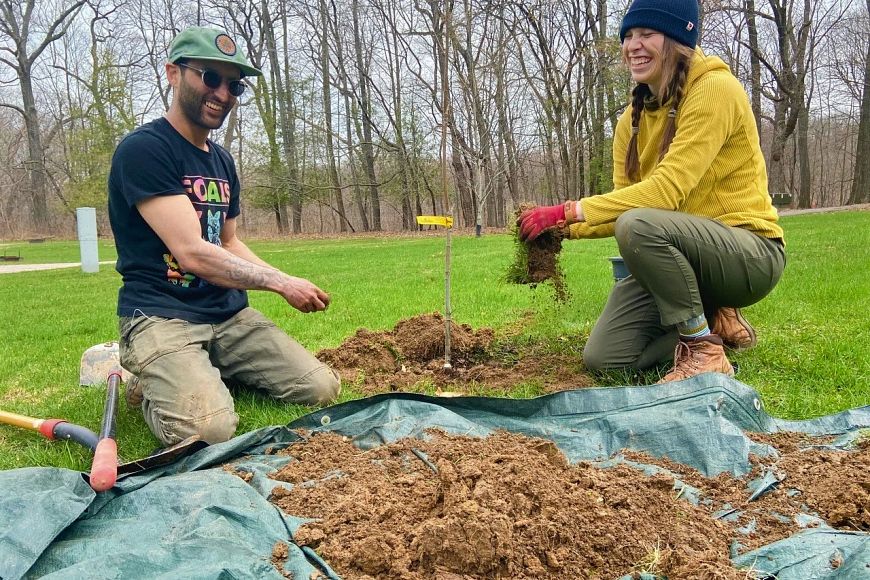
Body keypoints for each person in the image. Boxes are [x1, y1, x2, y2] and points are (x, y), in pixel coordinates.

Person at [517, 0, 785, 383]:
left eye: (646, 34)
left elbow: (661, 195)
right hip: (679, 258)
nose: (633, 45)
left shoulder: (714, 90)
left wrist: (568, 210)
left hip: (747, 254)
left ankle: (702, 350)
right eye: (628, 36)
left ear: (678, 40)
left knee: (638, 225)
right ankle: (712, 323)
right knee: (606, 358)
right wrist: (558, 229)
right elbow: (622, 206)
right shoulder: (631, 121)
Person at [108, 27, 340, 447]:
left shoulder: (222, 161)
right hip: (163, 314)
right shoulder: (145, 150)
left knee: (320, 387)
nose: (222, 93)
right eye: (209, 77)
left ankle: (206, 368)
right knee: (208, 430)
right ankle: (148, 388)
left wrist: (286, 277)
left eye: (233, 85)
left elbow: (229, 242)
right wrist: (280, 284)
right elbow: (192, 252)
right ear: (173, 74)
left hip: (227, 315)